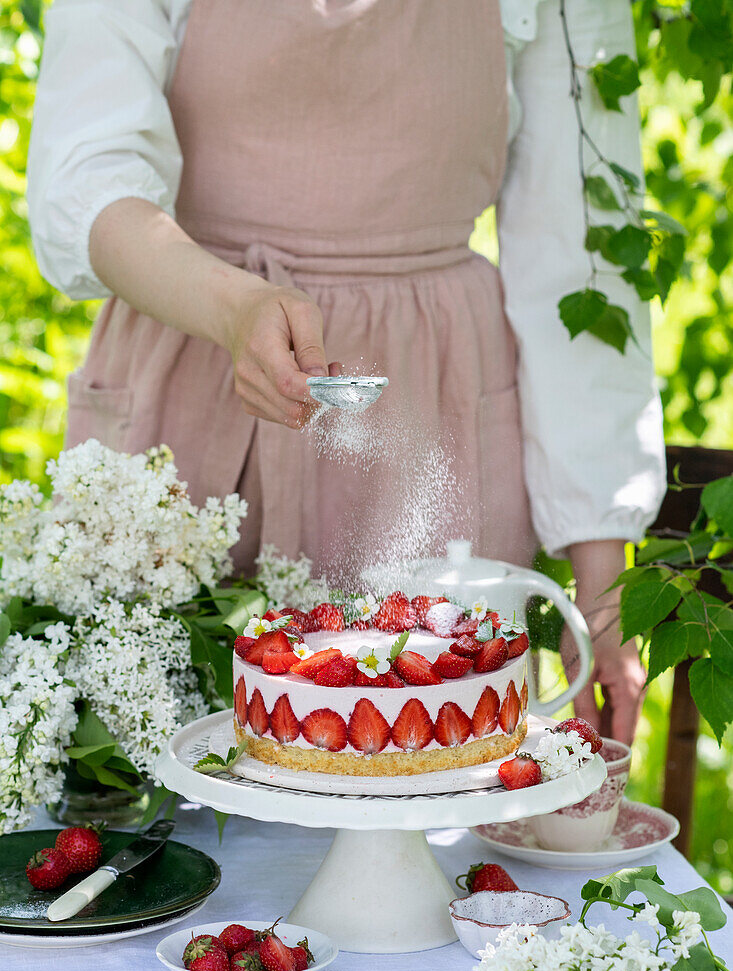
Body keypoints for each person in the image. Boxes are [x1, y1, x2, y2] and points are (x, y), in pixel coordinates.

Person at [27, 0, 666, 743]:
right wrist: (234, 310)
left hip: (434, 408)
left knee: (429, 762)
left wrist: (601, 588)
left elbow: (580, 253)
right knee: (156, 772)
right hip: (190, 370)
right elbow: (86, 180)